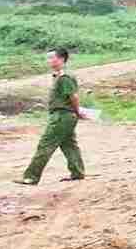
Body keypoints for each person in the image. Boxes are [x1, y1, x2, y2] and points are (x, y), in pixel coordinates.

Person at [17, 47, 86, 184]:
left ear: (61, 59)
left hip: (62, 116)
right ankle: (77, 172)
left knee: (45, 145)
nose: (48, 61)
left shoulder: (64, 77)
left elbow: (73, 96)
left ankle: (31, 177)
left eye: (51, 58)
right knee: (69, 145)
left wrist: (78, 112)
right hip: (65, 116)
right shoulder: (60, 76)